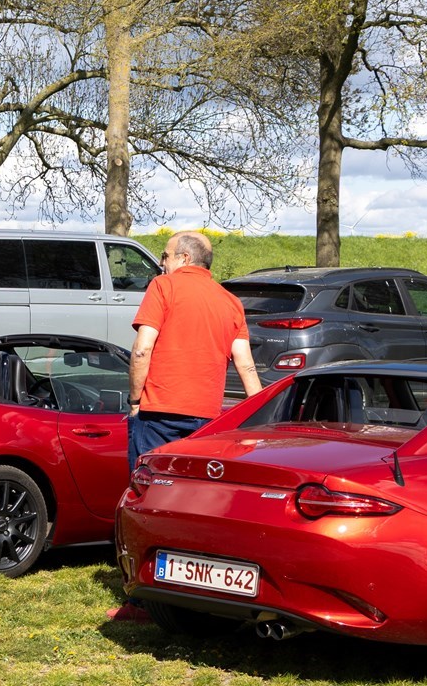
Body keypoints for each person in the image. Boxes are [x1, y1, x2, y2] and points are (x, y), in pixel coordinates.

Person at [110, 230, 262, 622]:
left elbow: (142, 348)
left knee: (147, 501)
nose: (161, 263)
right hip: (207, 422)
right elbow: (246, 366)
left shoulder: (163, 287)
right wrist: (260, 420)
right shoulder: (230, 301)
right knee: (194, 506)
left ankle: (140, 598)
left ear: (182, 258)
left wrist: (135, 401)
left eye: (164, 256)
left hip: (158, 413)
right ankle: (194, 589)